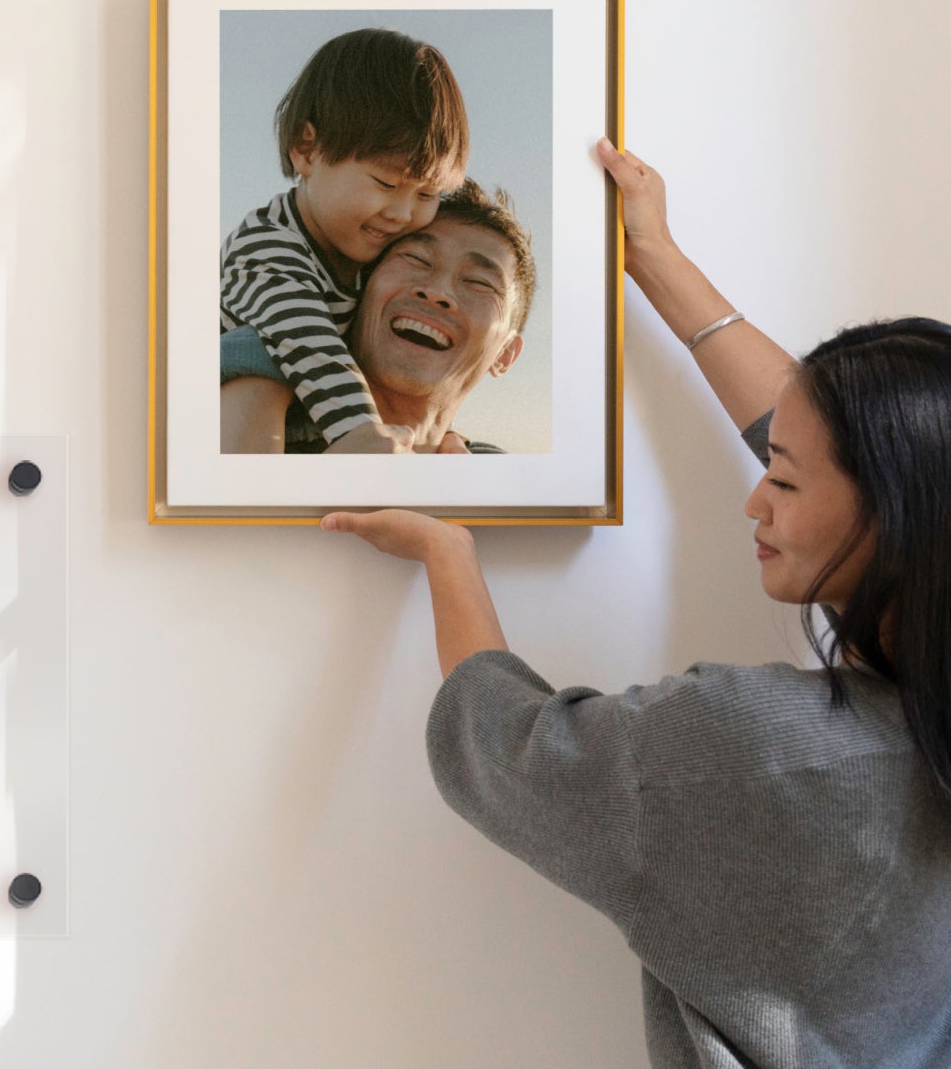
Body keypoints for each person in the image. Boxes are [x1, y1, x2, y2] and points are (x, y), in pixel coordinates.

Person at [321, 139, 951, 1067]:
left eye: (780, 478)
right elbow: (852, 440)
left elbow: (514, 754)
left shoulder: (756, 753)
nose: (754, 496)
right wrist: (656, 257)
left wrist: (447, 554)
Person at [220, 28, 468, 452]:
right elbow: (309, 345)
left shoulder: (372, 249)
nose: (403, 213)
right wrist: (361, 433)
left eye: (427, 194)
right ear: (307, 149)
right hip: (222, 423)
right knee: (254, 349)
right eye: (384, 182)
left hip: (305, 428)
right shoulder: (265, 249)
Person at [221, 180, 535, 454]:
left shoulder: (505, 487)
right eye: (416, 258)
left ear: (505, 355)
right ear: (359, 292)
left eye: (479, 283)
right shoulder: (238, 419)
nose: (437, 291)